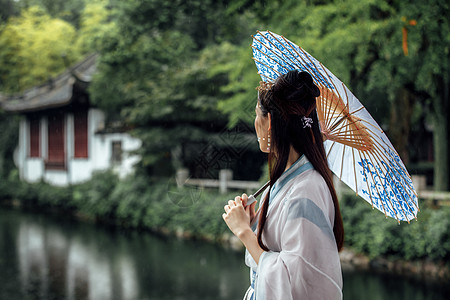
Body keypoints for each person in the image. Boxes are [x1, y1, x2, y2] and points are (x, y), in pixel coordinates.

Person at [222, 70, 344, 300]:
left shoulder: (305, 191)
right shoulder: (288, 180)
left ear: (269, 124)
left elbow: (296, 281)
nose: (254, 121)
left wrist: (244, 232)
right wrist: (253, 222)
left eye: (257, 114)